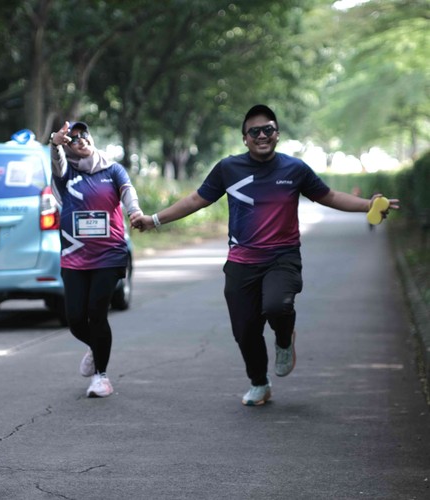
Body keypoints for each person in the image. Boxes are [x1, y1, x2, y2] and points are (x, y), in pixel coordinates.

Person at [130, 104, 399, 407]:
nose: (262, 135)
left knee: (277, 305)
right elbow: (196, 200)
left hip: (283, 257)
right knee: (245, 330)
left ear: (277, 134)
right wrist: (154, 220)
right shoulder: (228, 168)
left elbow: (331, 196)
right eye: (254, 131)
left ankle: (284, 340)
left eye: (268, 129)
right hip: (241, 262)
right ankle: (259, 382)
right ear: (245, 138)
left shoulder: (295, 169)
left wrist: (368, 205)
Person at [50, 121, 143, 398]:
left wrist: (135, 212)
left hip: (109, 254)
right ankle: (96, 345)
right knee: (76, 319)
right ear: (67, 146)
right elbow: (57, 162)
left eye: (84, 135)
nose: (80, 140)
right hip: (74, 255)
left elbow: (128, 191)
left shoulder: (112, 169)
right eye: (73, 138)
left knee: (97, 312)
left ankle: (101, 377)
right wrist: (55, 144)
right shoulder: (65, 173)